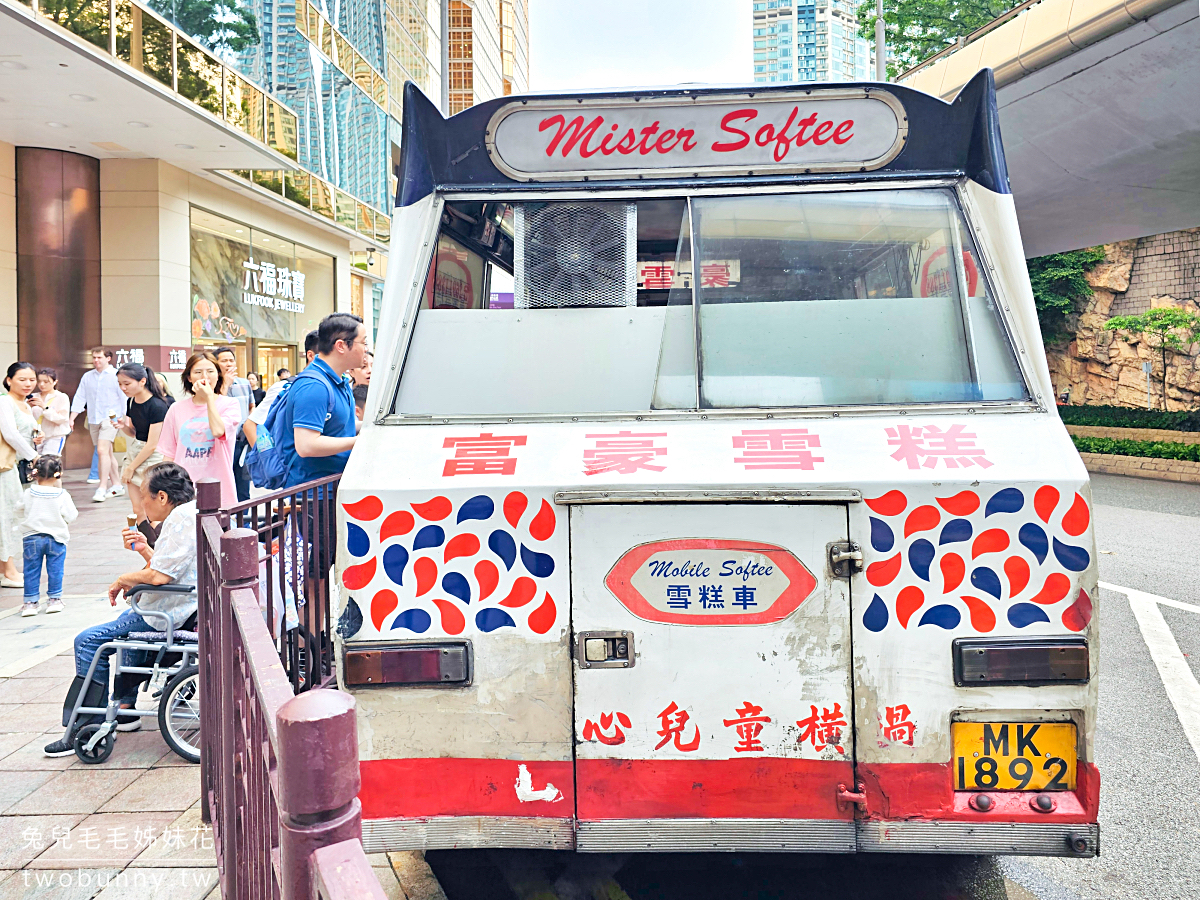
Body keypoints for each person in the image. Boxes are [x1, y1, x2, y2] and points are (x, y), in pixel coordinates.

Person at [43, 463, 198, 756]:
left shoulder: (180, 521)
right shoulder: (188, 514)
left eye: (144, 496)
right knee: (124, 623)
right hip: (172, 607)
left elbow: (160, 577)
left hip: (166, 614)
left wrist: (125, 578)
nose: (140, 504)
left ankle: (86, 724)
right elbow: (168, 568)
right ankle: (124, 709)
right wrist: (144, 549)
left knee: (88, 641)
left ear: (162, 497)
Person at [278, 314, 363, 489]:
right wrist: (361, 441)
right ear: (341, 346)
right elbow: (307, 445)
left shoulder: (340, 380)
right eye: (363, 342)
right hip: (313, 495)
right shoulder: (314, 386)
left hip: (332, 487)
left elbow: (339, 427)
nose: (366, 349)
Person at [156, 352, 241, 509]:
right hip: (183, 490)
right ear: (189, 378)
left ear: (218, 375)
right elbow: (169, 454)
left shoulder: (230, 405)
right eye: (198, 372)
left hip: (219, 489)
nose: (205, 376)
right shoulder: (176, 409)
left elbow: (218, 431)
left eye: (210, 371)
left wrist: (209, 398)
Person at [16, 454, 77, 617]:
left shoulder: (29, 493)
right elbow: (71, 515)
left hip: (31, 537)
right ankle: (54, 600)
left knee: (31, 570)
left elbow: (18, 509)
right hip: (56, 537)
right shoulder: (61, 495)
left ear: (35, 473)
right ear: (58, 474)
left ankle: (30, 603)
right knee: (55, 570)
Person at [0, 362, 41, 588]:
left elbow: (25, 434)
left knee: (13, 515)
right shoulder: (4, 401)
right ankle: (10, 571)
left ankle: (4, 569)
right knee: (7, 517)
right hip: (5, 468)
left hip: (17, 468)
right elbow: (10, 435)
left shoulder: (26, 405)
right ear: (9, 380)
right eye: (22, 379)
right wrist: (34, 456)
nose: (28, 384)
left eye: (31, 379)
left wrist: (37, 438)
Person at [116, 362, 171, 525]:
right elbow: (134, 433)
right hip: (136, 450)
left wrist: (131, 467)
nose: (123, 388)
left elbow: (152, 444)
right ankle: (145, 544)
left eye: (127, 384)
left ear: (142, 381)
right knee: (137, 509)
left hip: (153, 457)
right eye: (120, 384)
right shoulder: (131, 402)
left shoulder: (158, 406)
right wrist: (123, 427)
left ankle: (157, 546)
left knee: (154, 510)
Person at [243, 331, 319, 448]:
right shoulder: (284, 387)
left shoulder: (339, 387)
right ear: (311, 356)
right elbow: (251, 425)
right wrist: (267, 460)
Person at [70, 348, 126, 502]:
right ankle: (117, 485)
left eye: (99, 357)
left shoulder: (116, 376)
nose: (96, 361)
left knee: (101, 451)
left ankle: (102, 487)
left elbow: (124, 398)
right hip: (94, 418)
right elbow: (80, 397)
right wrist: (72, 417)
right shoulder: (88, 377)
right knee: (107, 453)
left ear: (108, 358)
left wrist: (125, 418)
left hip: (111, 419)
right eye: (94, 358)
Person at [214, 348, 255, 502]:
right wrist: (225, 385)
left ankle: (243, 522)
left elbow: (252, 406)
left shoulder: (244, 384)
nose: (229, 364)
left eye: (231, 360)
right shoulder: (213, 387)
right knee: (223, 487)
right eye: (224, 361)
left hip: (242, 443)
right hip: (222, 444)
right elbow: (216, 407)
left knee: (243, 488)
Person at [31, 368, 71, 457]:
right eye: (39, 381)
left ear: (55, 382)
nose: (42, 384)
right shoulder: (33, 396)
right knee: (37, 465)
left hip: (54, 437)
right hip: (37, 437)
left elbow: (62, 419)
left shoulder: (61, 397)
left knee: (49, 464)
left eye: (46, 382)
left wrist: (45, 407)